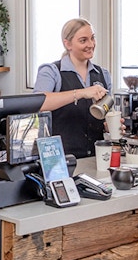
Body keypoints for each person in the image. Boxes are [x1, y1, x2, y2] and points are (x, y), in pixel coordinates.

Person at [33, 18, 112, 159]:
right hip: (60, 159)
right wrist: (82, 93)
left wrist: (109, 125)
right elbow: (39, 103)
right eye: (83, 40)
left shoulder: (103, 74)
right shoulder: (51, 71)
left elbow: (105, 115)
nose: (91, 44)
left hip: (96, 158)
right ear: (67, 44)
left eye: (92, 38)